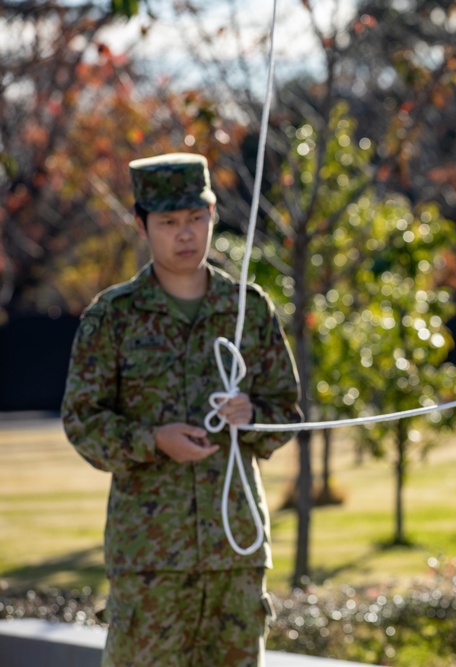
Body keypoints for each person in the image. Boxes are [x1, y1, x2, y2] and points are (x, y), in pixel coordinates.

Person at [62, 153, 301, 666]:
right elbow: (83, 420)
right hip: (150, 561)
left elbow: (286, 411)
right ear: (142, 223)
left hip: (234, 554)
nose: (185, 234)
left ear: (213, 214)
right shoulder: (113, 317)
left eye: (196, 218)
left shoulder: (247, 309)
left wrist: (251, 414)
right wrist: (153, 441)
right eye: (169, 222)